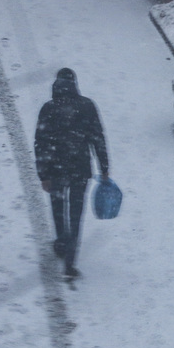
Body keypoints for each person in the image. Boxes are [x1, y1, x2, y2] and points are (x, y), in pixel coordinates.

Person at [34, 68, 110, 279]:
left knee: (59, 210)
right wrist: (104, 167)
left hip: (56, 170)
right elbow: (98, 137)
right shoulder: (87, 106)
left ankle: (60, 243)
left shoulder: (48, 109)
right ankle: (70, 263)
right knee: (76, 216)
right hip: (80, 169)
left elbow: (41, 143)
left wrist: (44, 174)